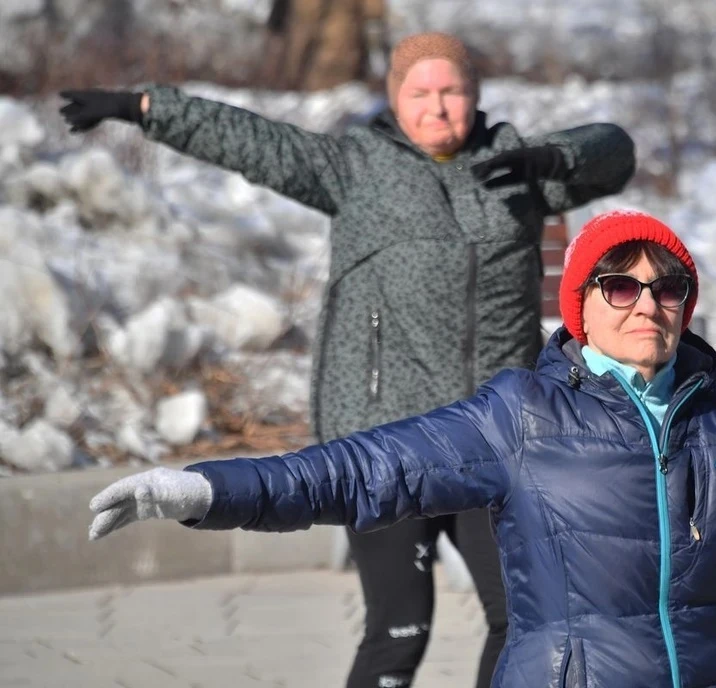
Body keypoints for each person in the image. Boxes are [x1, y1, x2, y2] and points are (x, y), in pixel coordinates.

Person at [87, 209, 716, 688]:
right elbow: (357, 471)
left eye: (669, 286)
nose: (648, 302)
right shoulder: (521, 414)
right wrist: (206, 490)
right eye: (621, 284)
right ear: (582, 306)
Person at [60, 32, 636, 688]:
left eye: (453, 90)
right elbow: (252, 140)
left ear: (475, 96)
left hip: (497, 438)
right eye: (421, 91)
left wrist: (551, 157)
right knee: (399, 631)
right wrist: (143, 106)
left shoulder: (517, 169)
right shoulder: (355, 164)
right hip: (384, 440)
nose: (439, 106)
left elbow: (615, 150)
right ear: (395, 98)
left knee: (526, 622)